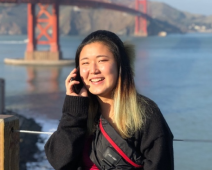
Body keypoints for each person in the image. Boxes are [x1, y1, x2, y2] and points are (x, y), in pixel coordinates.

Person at [45, 30, 174, 170]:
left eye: (102, 61)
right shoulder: (80, 113)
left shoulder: (146, 113)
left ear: (120, 65)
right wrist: (73, 108)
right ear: (77, 72)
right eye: (85, 63)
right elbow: (59, 161)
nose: (93, 70)